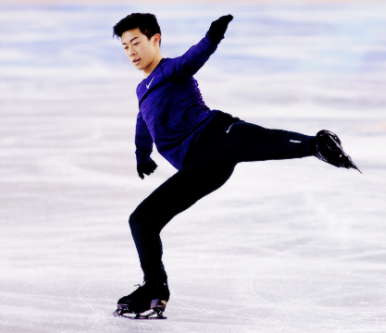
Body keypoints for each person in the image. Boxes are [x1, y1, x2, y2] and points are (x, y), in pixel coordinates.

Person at [111, 13, 360, 320]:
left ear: (155, 39)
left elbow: (193, 58)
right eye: (125, 47)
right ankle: (154, 289)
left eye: (136, 42)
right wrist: (141, 154)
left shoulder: (170, 69)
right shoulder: (142, 89)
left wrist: (212, 38)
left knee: (258, 142)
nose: (131, 51)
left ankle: (316, 144)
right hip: (197, 167)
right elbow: (142, 121)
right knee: (141, 221)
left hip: (215, 135)